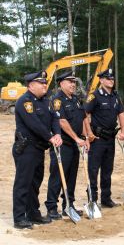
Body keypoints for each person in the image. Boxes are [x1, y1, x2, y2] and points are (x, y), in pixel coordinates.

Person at [12, 71, 62, 229]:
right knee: (23, 183)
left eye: (45, 83)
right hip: (27, 148)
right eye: (41, 83)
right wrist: (50, 137)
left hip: (39, 149)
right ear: (31, 85)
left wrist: (58, 134)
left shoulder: (47, 101)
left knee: (35, 183)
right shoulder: (24, 102)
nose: (45, 85)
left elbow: (55, 118)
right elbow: (34, 123)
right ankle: (19, 218)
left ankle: (33, 213)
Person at [45, 71, 90, 219]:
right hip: (62, 144)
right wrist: (77, 138)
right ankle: (51, 207)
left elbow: (82, 119)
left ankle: (68, 205)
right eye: (69, 81)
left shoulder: (76, 99)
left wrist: (86, 137)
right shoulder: (57, 100)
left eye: (74, 82)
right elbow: (62, 121)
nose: (73, 84)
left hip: (74, 144)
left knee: (71, 177)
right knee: (58, 176)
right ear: (61, 83)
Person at [85, 68, 124, 208]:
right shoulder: (94, 96)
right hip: (97, 139)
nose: (111, 81)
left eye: (112, 79)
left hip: (110, 138)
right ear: (101, 80)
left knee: (108, 170)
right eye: (108, 79)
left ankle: (106, 198)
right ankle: (93, 199)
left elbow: (121, 113)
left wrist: (123, 131)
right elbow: (84, 114)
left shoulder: (115, 96)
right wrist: (88, 133)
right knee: (93, 170)